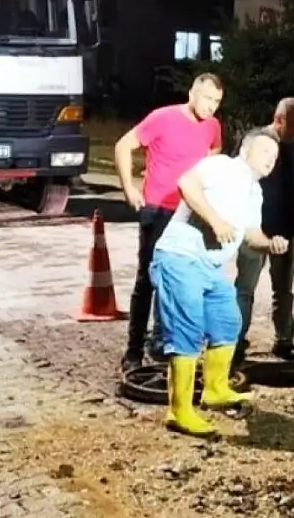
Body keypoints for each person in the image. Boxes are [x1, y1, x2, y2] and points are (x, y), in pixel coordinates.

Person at [150, 128, 288, 438]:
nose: (271, 160)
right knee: (187, 330)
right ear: (246, 150)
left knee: (228, 320)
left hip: (210, 266)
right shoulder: (222, 166)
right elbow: (186, 184)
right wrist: (214, 220)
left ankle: (215, 389)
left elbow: (251, 235)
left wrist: (271, 243)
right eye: (266, 153)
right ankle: (179, 411)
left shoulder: (255, 192)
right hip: (180, 257)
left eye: (275, 157)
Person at [114, 73, 224, 373]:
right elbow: (123, 146)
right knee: (147, 280)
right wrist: (129, 188)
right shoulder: (162, 118)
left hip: (190, 214)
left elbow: (213, 158)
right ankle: (133, 351)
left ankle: (163, 344)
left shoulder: (212, 127)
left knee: (180, 282)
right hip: (158, 209)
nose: (211, 106)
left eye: (217, 101)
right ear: (192, 93)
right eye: (207, 98)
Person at [233, 97, 294, 367]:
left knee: (284, 289)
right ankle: (235, 342)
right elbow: (239, 178)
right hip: (257, 226)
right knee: (245, 288)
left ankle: (284, 341)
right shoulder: (256, 142)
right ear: (278, 120)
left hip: (290, 228)